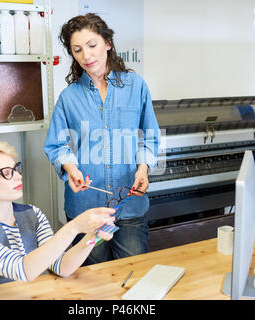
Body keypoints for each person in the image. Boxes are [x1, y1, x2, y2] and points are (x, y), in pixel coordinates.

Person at [44, 13, 160, 265]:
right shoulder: (68, 97)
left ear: (107, 43)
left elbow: (149, 137)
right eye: (77, 50)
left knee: (133, 274)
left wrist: (143, 169)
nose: (86, 56)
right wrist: (70, 168)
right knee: (92, 282)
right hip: (86, 209)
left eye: (92, 45)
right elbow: (56, 144)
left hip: (130, 205)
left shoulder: (136, 86)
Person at [0, 140, 116, 290]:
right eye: (6, 172)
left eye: (16, 169)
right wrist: (73, 227)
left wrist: (91, 237)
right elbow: (22, 270)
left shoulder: (32, 214)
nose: (18, 176)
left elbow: (62, 267)